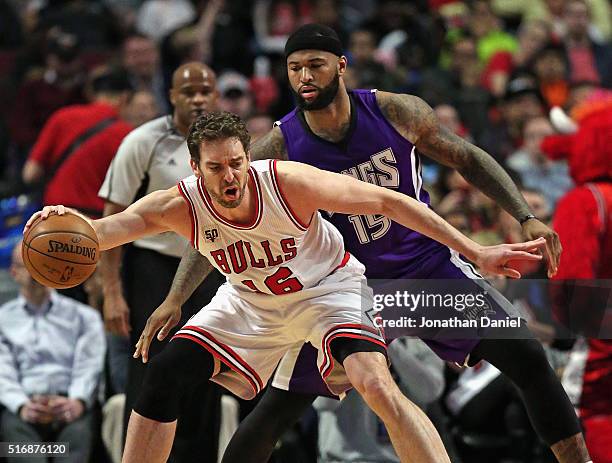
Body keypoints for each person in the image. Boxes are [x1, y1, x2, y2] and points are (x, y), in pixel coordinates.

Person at [146, 24, 592, 463]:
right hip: (344, 290)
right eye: (295, 68)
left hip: (425, 272)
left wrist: (526, 216)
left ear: (341, 66)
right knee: (280, 408)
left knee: (528, 358)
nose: (304, 77)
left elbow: (466, 157)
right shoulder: (277, 147)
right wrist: (176, 297)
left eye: (315, 66)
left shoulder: (395, 112)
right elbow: (211, 223)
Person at [27, 110, 548, 463]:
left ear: (246, 156)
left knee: (374, 382)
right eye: (216, 168)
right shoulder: (176, 205)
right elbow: (101, 233)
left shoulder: (286, 181)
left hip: (327, 291)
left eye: (236, 162)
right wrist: (59, 221)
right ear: (194, 168)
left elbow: (390, 202)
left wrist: (475, 250)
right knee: (164, 373)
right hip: (249, 303)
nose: (230, 176)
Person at [97, 61, 225, 461]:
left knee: (207, 370)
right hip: (153, 267)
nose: (199, 98)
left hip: (211, 267)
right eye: (189, 92)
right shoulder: (142, 141)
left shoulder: (228, 145)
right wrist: (112, 293)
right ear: (171, 96)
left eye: (206, 90)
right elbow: (112, 217)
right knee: (152, 367)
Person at [0, 241, 105, 463]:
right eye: (29, 265)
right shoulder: (3, 319)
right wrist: (21, 405)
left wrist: (77, 401)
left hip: (70, 408)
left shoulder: (84, 317)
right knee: (23, 454)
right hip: (23, 410)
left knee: (72, 452)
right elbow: (3, 371)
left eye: (43, 264)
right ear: (14, 272)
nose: (37, 272)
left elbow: (89, 366)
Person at [22, 68, 134, 219]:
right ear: (125, 97)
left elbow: (30, 173)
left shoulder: (62, 117)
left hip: (53, 217)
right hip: (96, 224)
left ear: (92, 94)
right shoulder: (127, 133)